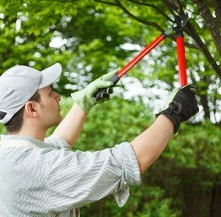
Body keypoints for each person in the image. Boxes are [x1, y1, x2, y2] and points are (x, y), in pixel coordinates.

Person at [0, 63, 199, 217]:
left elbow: (59, 141)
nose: (58, 96)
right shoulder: (39, 167)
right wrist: (173, 114)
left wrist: (85, 102)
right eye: (51, 93)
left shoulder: (11, 153)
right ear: (32, 108)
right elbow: (125, 163)